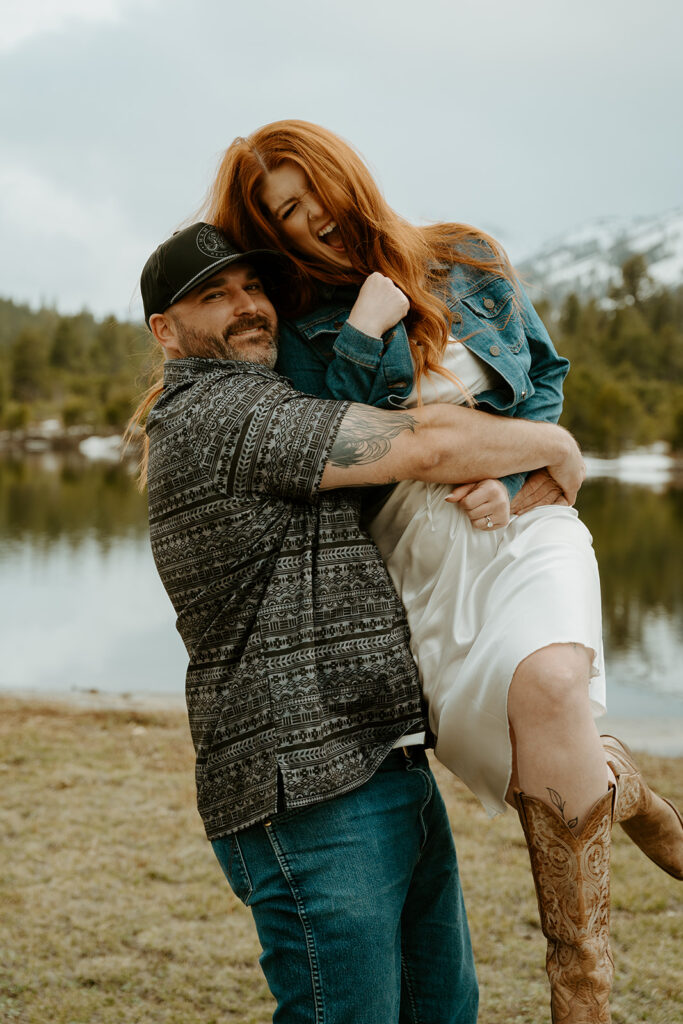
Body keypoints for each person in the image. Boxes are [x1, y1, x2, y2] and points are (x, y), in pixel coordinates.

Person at [205, 120, 683, 1023]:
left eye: (315, 195)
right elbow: (355, 444)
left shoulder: (468, 258)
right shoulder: (302, 329)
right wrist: (363, 329)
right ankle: (622, 785)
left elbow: (542, 374)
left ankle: (581, 1002)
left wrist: (516, 471)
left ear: (349, 178)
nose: (311, 222)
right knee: (520, 765)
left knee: (548, 682)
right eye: (286, 215)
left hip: (524, 528)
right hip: (414, 563)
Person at [134, 221, 590, 1024]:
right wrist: (553, 442)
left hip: (383, 762)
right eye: (213, 296)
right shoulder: (220, 411)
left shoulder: (276, 400)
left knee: (440, 1013)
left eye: (252, 287)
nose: (247, 308)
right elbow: (423, 443)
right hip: (306, 788)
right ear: (166, 333)